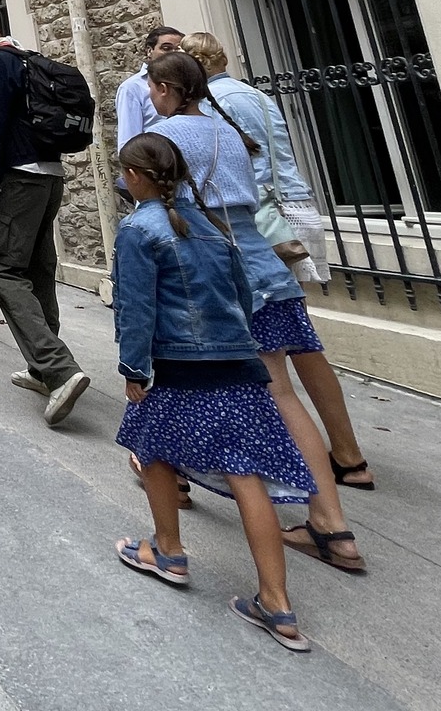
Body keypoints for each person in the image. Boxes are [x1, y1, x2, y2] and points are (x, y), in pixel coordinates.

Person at [144, 51, 366, 573]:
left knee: (211, 387)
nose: (150, 96)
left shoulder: (169, 133)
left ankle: (174, 487)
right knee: (284, 394)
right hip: (266, 266)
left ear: (168, 89)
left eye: (154, 86)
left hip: (225, 273)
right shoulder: (227, 129)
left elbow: (158, 201)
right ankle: (330, 521)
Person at [111, 131, 316, 652]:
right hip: (238, 361)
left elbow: (137, 307)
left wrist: (133, 367)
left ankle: (167, 550)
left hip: (180, 363)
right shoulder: (213, 225)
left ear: (134, 177)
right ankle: (277, 602)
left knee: (151, 448)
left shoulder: (139, 229)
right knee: (245, 473)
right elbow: (243, 294)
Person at [181, 32, 373, 490]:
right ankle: (347, 454)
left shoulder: (209, 103)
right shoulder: (254, 94)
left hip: (262, 220)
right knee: (300, 339)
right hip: (297, 208)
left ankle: (275, 457)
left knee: (262, 346)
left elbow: (234, 170)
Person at [0, 5, 92, 426]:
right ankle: (41, 370)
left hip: (15, 179)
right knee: (37, 269)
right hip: (49, 175)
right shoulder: (29, 60)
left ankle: (58, 369)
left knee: (0, 265)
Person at [116, 25, 184, 151]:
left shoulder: (188, 82)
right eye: (166, 48)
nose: (174, 54)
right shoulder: (132, 88)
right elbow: (128, 142)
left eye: (178, 49)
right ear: (149, 51)